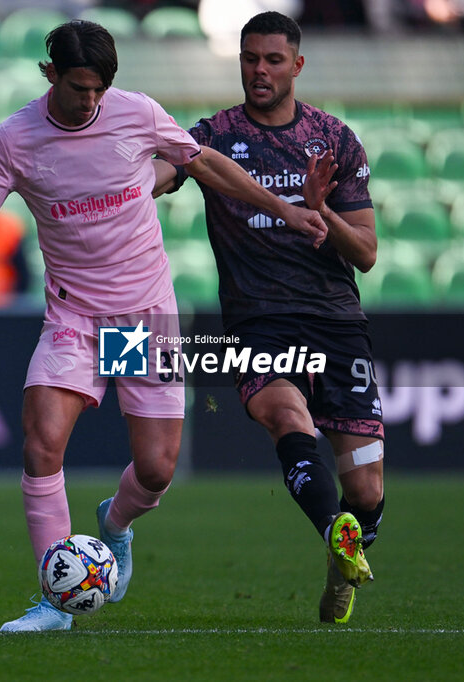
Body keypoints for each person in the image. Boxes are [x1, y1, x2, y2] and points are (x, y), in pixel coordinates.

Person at [0, 20, 326, 633]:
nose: (90, 102)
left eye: (99, 90)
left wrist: (285, 211)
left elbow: (207, 166)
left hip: (142, 315)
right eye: (79, 88)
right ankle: (54, 602)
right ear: (50, 73)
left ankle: (114, 524)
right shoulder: (14, 139)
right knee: (41, 441)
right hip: (73, 315)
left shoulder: (136, 114)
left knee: (158, 469)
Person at [158, 11, 384, 625]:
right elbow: (165, 171)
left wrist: (320, 211)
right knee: (284, 413)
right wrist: (128, 183)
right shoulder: (215, 136)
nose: (260, 70)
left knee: (367, 491)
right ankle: (334, 530)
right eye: (250, 58)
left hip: (336, 322)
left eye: (273, 60)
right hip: (259, 321)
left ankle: (346, 553)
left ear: (297, 65)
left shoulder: (333, 139)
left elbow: (364, 253)